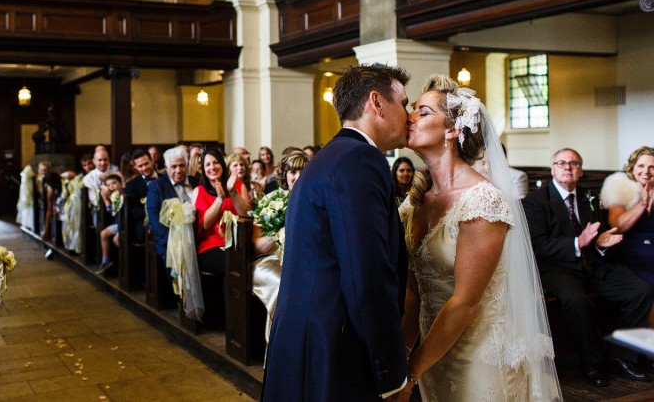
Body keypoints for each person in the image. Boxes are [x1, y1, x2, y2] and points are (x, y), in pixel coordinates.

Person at [400, 76, 560, 401]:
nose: (410, 117)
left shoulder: (482, 201)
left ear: (451, 130)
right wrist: (402, 358)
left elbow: (465, 302)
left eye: (423, 111)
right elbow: (413, 291)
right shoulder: (415, 202)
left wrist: (413, 371)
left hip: (478, 358)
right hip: (433, 353)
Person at [262, 64, 410, 402]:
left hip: (304, 336)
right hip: (334, 345)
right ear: (377, 102)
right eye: (403, 103)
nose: (408, 113)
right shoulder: (361, 160)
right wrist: (390, 375)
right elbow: (365, 275)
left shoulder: (331, 156)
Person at [524, 148, 654, 387]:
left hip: (592, 263)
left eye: (573, 163)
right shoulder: (536, 201)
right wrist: (577, 243)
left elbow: (598, 236)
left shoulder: (588, 197)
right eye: (561, 163)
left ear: (581, 170)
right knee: (577, 299)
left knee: (641, 290)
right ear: (552, 169)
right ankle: (592, 364)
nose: (567, 167)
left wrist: (602, 243)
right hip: (556, 268)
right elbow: (537, 245)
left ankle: (621, 355)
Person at [251, 149, 309, 345]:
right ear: (284, 174)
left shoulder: (312, 199)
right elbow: (258, 246)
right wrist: (279, 230)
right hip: (270, 260)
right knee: (282, 285)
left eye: (302, 171)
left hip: (302, 262)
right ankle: (278, 349)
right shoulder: (271, 201)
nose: (298, 176)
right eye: (293, 172)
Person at [192, 148, 251, 275]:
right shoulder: (199, 191)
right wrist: (219, 200)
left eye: (216, 162)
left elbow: (246, 215)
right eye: (207, 164)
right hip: (211, 245)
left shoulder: (239, 185)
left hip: (238, 243)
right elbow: (205, 224)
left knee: (248, 263)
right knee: (233, 265)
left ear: (222, 165)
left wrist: (232, 192)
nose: (212, 167)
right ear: (203, 170)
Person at [601, 146, 654, 286]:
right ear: (632, 167)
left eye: (652, 167)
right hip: (632, 252)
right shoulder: (619, 186)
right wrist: (642, 205)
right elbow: (617, 226)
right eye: (641, 166)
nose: (646, 172)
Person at [95, 173, 124, 275]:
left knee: (116, 239)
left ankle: (124, 265)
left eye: (114, 183)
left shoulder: (122, 195)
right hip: (118, 223)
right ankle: (105, 260)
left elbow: (113, 211)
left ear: (121, 184)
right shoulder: (114, 195)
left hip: (124, 223)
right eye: (108, 185)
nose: (111, 186)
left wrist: (105, 199)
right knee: (103, 233)